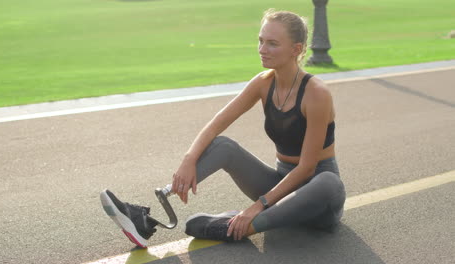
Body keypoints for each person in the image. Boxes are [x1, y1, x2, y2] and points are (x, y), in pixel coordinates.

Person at [101, 9, 346, 247]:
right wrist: (189, 160)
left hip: (318, 202)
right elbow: (216, 124)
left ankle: (239, 227)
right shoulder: (262, 83)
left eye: (272, 43)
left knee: (328, 182)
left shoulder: (316, 93)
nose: (262, 49)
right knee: (223, 146)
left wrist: (256, 206)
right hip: (278, 189)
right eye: (260, 41)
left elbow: (306, 169)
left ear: (297, 49)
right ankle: (144, 219)